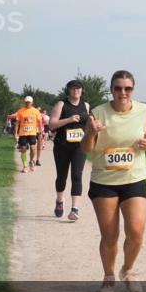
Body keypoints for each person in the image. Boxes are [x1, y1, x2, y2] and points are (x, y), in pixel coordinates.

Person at [81, 70, 146, 292]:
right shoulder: (98, 113)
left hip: (134, 179)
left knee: (136, 231)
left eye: (127, 88)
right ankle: (108, 277)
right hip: (104, 181)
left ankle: (128, 270)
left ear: (133, 89)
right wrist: (91, 133)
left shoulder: (144, 111)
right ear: (111, 89)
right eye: (118, 88)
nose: (122, 92)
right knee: (110, 235)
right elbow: (86, 149)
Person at [49, 80, 91, 221]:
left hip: (79, 146)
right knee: (62, 176)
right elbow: (51, 124)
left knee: (77, 175)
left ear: (82, 90)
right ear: (68, 91)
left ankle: (75, 209)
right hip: (62, 146)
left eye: (78, 88)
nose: (76, 91)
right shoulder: (61, 104)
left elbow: (88, 125)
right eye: (73, 89)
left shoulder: (86, 105)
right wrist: (68, 120)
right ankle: (60, 201)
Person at [13, 96, 43, 173]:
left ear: (32, 102)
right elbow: (17, 123)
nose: (28, 103)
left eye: (29, 102)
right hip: (23, 133)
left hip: (32, 132)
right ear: (24, 102)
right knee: (23, 149)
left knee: (33, 148)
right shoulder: (20, 111)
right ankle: (25, 166)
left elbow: (39, 122)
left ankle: (31, 161)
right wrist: (16, 133)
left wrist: (40, 131)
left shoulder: (36, 111)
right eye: (26, 102)